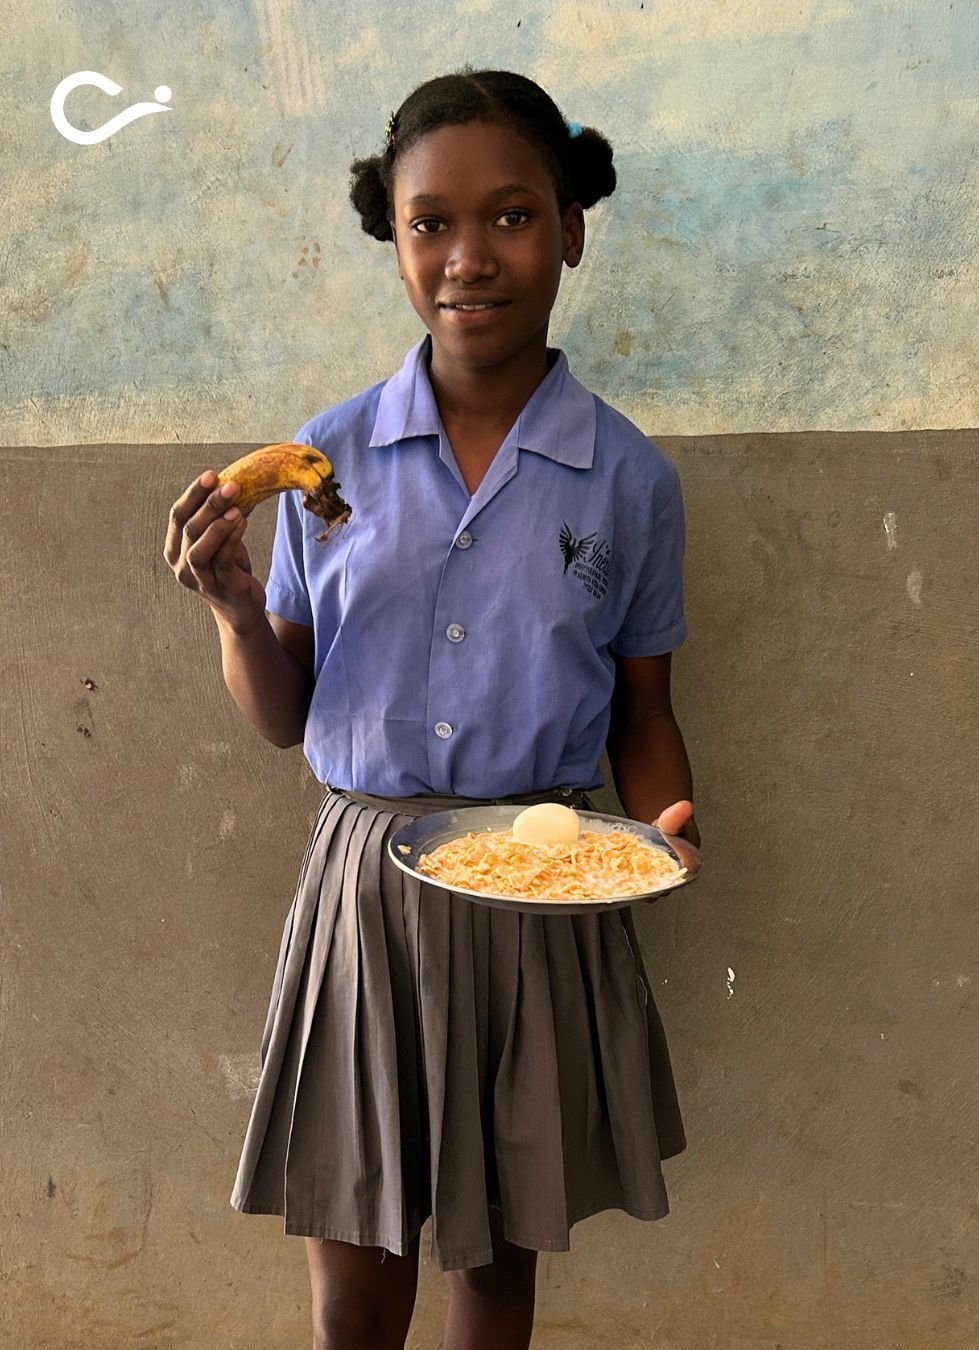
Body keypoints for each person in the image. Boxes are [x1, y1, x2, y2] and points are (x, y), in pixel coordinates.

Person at [163, 68, 699, 1350]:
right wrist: (238, 611)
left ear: (570, 228)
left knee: (497, 1264)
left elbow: (644, 712)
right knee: (353, 1273)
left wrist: (666, 822)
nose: (470, 257)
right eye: (430, 225)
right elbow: (285, 716)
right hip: (367, 899)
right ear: (393, 242)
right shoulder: (323, 460)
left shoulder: (628, 480)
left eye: (512, 217)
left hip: (538, 886)